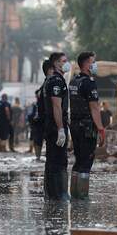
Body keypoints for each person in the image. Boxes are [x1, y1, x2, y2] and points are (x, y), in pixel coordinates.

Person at [68, 51, 105, 199]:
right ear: (86, 64)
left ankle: (74, 194)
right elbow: (94, 108)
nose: (95, 65)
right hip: (87, 127)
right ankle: (83, 196)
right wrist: (101, 129)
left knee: (78, 160)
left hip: (75, 125)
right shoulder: (89, 83)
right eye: (93, 62)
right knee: (86, 161)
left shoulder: (73, 81)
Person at [43, 51, 71, 201]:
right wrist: (60, 129)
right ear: (56, 63)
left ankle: (52, 194)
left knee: (53, 159)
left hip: (52, 124)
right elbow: (56, 106)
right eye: (64, 61)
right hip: (55, 126)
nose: (67, 64)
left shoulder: (54, 80)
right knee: (58, 160)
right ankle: (58, 194)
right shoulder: (56, 81)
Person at [30, 59, 52, 160]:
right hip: (44, 116)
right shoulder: (48, 83)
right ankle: (38, 157)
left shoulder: (46, 83)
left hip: (43, 116)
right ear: (49, 70)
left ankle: (38, 157)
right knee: (40, 138)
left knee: (39, 138)